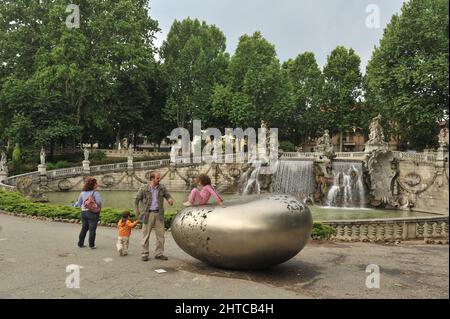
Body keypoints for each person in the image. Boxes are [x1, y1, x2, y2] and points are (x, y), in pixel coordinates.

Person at [134, 171, 174, 262]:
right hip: (148, 214)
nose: (159, 179)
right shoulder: (144, 188)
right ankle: (145, 253)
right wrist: (137, 211)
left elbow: (168, 196)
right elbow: (136, 200)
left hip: (159, 214)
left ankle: (159, 254)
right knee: (146, 235)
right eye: (157, 178)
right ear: (152, 179)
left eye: (159, 178)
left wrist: (170, 200)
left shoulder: (162, 188)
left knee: (161, 236)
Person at [75, 177, 102, 249]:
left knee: (84, 228)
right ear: (93, 185)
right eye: (96, 183)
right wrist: (97, 207)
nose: (97, 184)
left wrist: (84, 207)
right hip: (92, 213)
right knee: (92, 230)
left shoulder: (82, 193)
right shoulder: (95, 193)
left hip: (83, 212)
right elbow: (99, 202)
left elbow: (79, 203)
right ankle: (91, 245)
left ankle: (80, 244)